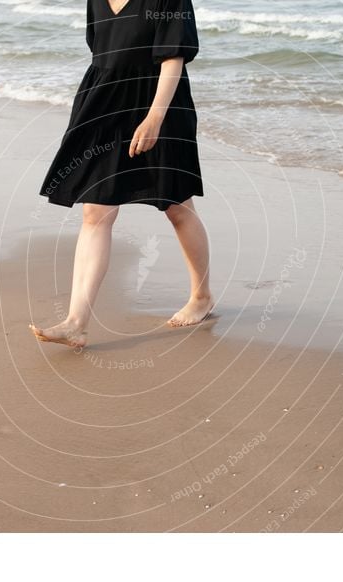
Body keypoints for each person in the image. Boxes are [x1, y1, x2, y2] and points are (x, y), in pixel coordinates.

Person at [29, 0, 213, 348]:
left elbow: (173, 56)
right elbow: (100, 47)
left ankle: (202, 296)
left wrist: (155, 117)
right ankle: (76, 322)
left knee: (176, 207)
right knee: (95, 210)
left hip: (160, 103)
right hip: (104, 103)